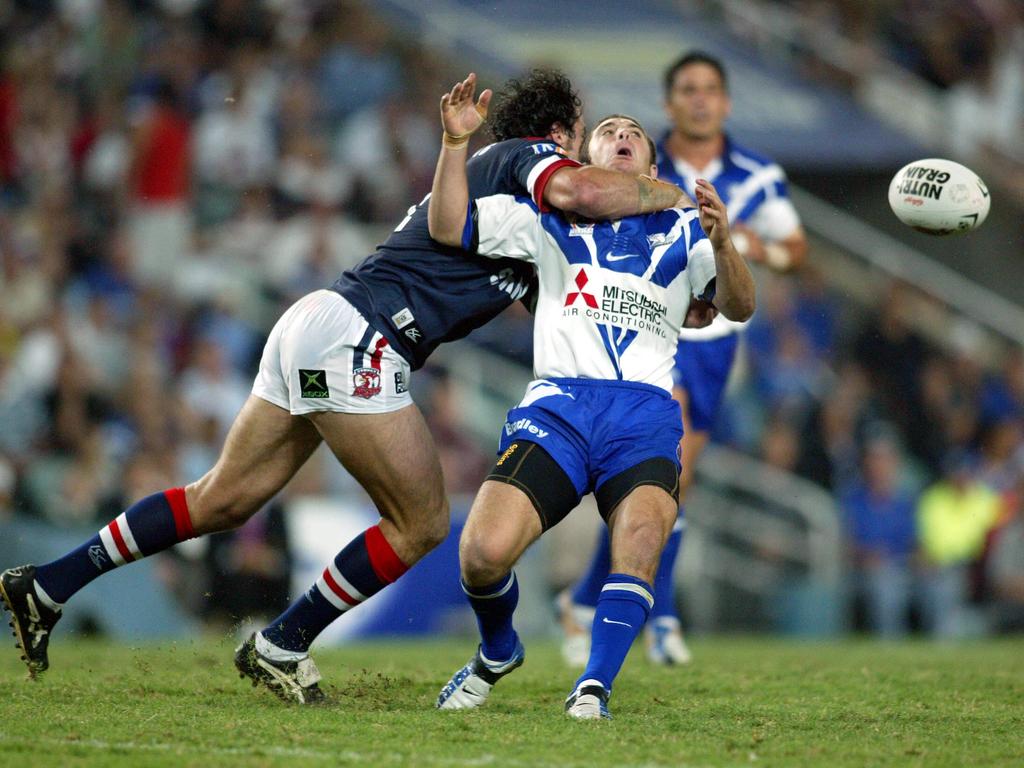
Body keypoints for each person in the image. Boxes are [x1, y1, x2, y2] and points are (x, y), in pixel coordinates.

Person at [0, 70, 691, 702]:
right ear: (564, 133)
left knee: (223, 499)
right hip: (365, 337)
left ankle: (51, 584)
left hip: (321, 319)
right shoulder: (528, 161)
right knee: (422, 523)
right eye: (593, 135)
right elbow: (577, 190)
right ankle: (285, 641)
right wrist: (669, 193)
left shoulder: (524, 219)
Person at [427, 80, 754, 719]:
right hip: (558, 408)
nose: (623, 136)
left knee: (641, 539)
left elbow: (740, 305)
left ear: (652, 169)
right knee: (481, 554)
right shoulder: (546, 217)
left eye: (635, 133)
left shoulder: (687, 228)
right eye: (609, 131)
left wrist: (722, 241)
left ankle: (594, 686)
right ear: (586, 159)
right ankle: (497, 650)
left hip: (644, 412)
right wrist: (454, 142)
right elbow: (447, 222)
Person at [560, 51, 808, 666]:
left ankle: (589, 600)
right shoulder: (640, 156)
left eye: (711, 90)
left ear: (725, 102)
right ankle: (660, 617)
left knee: (674, 482)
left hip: (715, 340)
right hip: (648, 329)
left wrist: (752, 247)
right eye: (687, 91)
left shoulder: (756, 172)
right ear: (669, 104)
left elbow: (794, 249)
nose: (700, 100)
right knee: (666, 474)